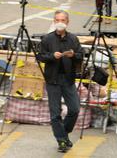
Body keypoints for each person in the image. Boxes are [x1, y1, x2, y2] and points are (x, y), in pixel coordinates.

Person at [37, 10, 82, 153]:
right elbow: (40, 56)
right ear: (54, 22)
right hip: (53, 80)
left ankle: (63, 132)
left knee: (74, 109)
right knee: (55, 113)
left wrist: (73, 54)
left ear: (67, 22)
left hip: (68, 79)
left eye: (62, 20)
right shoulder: (47, 39)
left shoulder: (73, 39)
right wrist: (52, 56)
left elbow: (81, 55)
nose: (60, 22)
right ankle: (62, 140)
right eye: (57, 20)